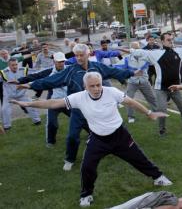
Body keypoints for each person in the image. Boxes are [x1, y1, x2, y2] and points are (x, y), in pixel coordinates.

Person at [11, 72, 172, 207]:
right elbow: (53, 103)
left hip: (119, 135)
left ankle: (159, 178)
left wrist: (149, 113)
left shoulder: (112, 92)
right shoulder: (79, 98)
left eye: (98, 85)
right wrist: (27, 103)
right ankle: (86, 195)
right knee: (87, 167)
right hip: (98, 139)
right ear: (85, 87)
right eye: (91, 86)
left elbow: (130, 101)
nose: (96, 89)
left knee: (138, 158)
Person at [18, 43, 137, 171]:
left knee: (110, 130)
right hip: (78, 110)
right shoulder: (70, 70)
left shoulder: (97, 67)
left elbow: (114, 71)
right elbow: (51, 80)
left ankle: (120, 149)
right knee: (72, 136)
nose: (79, 58)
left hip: (97, 107)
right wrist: (30, 85)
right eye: (76, 55)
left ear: (88, 54)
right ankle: (70, 159)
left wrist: (132, 73)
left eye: (81, 55)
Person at [127, 33, 182, 136]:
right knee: (162, 109)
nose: (171, 41)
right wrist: (132, 50)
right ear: (162, 41)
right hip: (161, 88)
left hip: (175, 87)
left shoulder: (179, 52)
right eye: (168, 40)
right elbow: (141, 52)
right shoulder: (156, 53)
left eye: (171, 39)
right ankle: (162, 129)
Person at [17, 52, 74, 147]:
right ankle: (51, 142)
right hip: (53, 102)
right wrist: (20, 81)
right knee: (52, 123)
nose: (61, 63)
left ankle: (92, 135)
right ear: (54, 61)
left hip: (68, 100)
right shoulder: (49, 72)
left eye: (63, 61)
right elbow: (35, 76)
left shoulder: (70, 69)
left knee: (79, 119)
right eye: (59, 62)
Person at [114, 42, 157, 124]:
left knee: (152, 98)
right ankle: (131, 117)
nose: (136, 50)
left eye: (137, 48)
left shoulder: (146, 57)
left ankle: (155, 113)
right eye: (134, 49)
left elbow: (154, 61)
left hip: (144, 81)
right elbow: (118, 67)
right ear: (131, 50)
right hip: (132, 82)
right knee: (128, 99)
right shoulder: (127, 59)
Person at [1, 58, 42, 130]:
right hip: (9, 96)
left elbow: (37, 73)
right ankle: (7, 126)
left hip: (22, 94)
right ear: (9, 65)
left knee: (31, 105)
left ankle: (37, 121)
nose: (15, 66)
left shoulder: (24, 69)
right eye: (12, 65)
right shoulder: (3, 72)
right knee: (5, 109)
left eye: (16, 64)